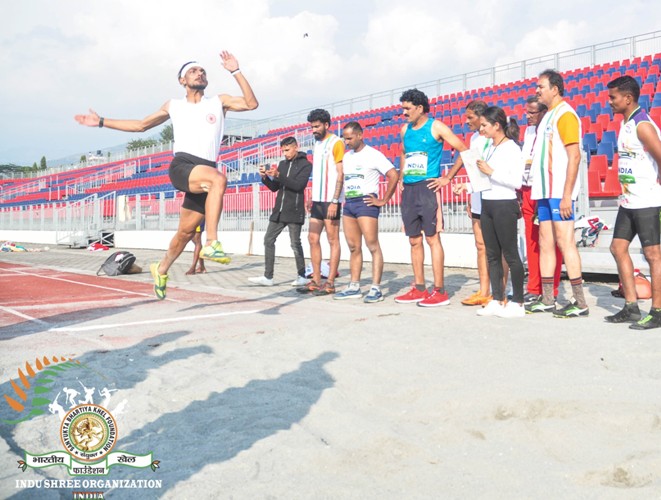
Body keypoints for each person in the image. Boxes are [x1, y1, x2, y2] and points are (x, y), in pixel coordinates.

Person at [75, 51, 258, 299]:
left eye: (203, 70)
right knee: (219, 178)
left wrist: (236, 71)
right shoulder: (174, 105)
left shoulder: (219, 101)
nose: (200, 73)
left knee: (184, 233)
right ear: (182, 80)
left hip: (203, 171)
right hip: (183, 166)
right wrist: (101, 121)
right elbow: (141, 125)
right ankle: (213, 242)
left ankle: (160, 270)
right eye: (194, 71)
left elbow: (251, 103)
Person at [395, 89, 467, 307]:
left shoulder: (436, 126)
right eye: (402, 109)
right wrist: (401, 176)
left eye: (407, 109)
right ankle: (419, 287)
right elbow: (403, 153)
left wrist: (447, 178)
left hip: (428, 187)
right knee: (414, 239)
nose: (404, 113)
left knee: (432, 238)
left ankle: (440, 290)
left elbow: (463, 149)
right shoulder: (404, 129)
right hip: (409, 189)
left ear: (419, 108)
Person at [526, 69, 588, 317]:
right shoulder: (549, 115)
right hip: (544, 191)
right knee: (546, 243)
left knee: (566, 242)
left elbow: (574, 155)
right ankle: (549, 298)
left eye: (541, 86)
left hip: (559, 192)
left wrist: (566, 195)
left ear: (555, 89)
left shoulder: (565, 114)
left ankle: (580, 302)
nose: (537, 90)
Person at [454, 107, 525, 317]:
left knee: (510, 254)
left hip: (505, 204)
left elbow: (516, 181)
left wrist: (491, 171)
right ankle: (496, 298)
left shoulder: (512, 148)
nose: (481, 128)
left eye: (485, 125)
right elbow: (481, 178)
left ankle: (518, 302)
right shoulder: (489, 148)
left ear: (497, 125)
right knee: (492, 255)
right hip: (488, 204)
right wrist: (466, 186)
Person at [605, 75, 661, 329]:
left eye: (613, 97)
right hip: (628, 202)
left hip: (647, 201)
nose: (609, 102)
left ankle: (658, 311)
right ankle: (631, 307)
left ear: (628, 99)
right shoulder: (625, 123)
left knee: (653, 255)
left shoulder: (642, 125)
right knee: (617, 248)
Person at [333, 121, 399, 303]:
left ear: (360, 135)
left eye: (350, 138)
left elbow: (393, 174)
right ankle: (354, 286)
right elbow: (343, 180)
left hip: (366, 203)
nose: (347, 142)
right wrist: (337, 200)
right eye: (345, 139)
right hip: (350, 204)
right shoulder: (347, 157)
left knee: (372, 245)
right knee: (353, 247)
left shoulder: (374, 155)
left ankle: (376, 288)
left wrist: (383, 200)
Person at [440, 100, 493, 306]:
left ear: (481, 117)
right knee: (480, 245)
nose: (466, 121)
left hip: (495, 197)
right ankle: (484, 289)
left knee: (495, 248)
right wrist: (451, 178)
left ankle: (499, 291)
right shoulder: (473, 137)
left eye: (470, 117)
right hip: (478, 195)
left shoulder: (495, 138)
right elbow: (465, 158)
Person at [249, 137, 312, 287]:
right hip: (279, 211)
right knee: (268, 240)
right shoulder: (282, 164)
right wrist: (265, 178)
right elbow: (275, 187)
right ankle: (268, 277)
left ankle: (302, 276)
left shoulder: (306, 165)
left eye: (287, 150)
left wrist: (279, 175)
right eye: (283, 150)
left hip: (294, 210)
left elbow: (298, 186)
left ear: (296, 147)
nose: (285, 153)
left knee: (295, 243)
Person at [519, 96, 561, 303]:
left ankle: (550, 289)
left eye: (531, 113)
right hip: (527, 189)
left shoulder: (551, 128)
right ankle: (534, 287)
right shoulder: (527, 131)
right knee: (532, 241)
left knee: (550, 242)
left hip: (545, 189)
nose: (527, 116)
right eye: (526, 112)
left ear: (543, 112)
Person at [297, 109, 344, 296]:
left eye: (317, 126)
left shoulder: (336, 142)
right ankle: (316, 280)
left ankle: (330, 282)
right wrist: (311, 196)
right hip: (317, 199)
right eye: (312, 127)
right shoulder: (317, 145)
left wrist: (334, 200)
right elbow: (318, 174)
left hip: (330, 201)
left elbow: (340, 173)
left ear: (326, 125)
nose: (313, 130)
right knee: (312, 238)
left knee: (333, 240)